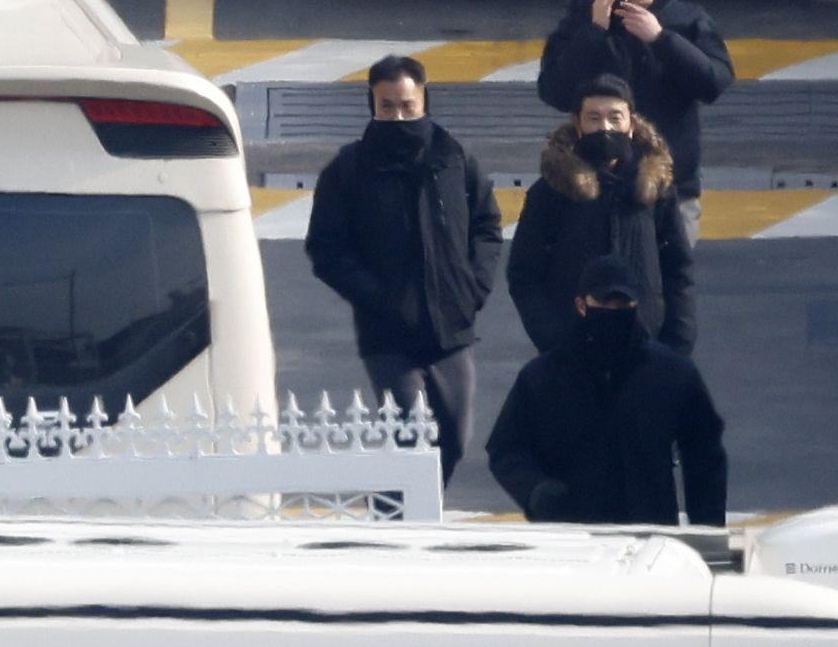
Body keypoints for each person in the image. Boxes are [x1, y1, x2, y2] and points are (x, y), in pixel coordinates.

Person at [299, 53, 504, 482]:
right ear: (371, 105)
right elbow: (326, 248)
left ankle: (416, 518)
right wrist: (379, 299)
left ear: (424, 101)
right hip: (388, 334)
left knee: (452, 439)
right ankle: (399, 528)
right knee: (409, 439)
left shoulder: (455, 158)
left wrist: (474, 286)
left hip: (451, 327)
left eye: (407, 106)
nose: (398, 115)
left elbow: (487, 225)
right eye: (387, 106)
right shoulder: (349, 169)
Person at [488, 265, 731, 527]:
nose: (615, 312)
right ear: (582, 305)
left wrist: (708, 531)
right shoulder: (544, 377)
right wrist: (537, 492)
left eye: (623, 303)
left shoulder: (671, 375)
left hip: (648, 532)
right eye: (605, 302)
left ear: (636, 304)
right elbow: (506, 448)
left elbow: (704, 454)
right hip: (568, 536)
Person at [533, 0, 737, 219]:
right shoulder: (581, 22)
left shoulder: (686, 18)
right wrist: (595, 32)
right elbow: (554, 91)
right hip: (596, 187)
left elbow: (714, 83)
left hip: (671, 187)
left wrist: (662, 39)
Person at [506, 77, 696, 355]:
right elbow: (524, 274)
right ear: (578, 124)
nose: (604, 127)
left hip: (646, 348)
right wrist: (553, 342)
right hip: (573, 353)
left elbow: (678, 268)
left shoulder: (655, 188)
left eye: (614, 118)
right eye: (593, 118)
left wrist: (676, 342)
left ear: (631, 124)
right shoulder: (552, 190)